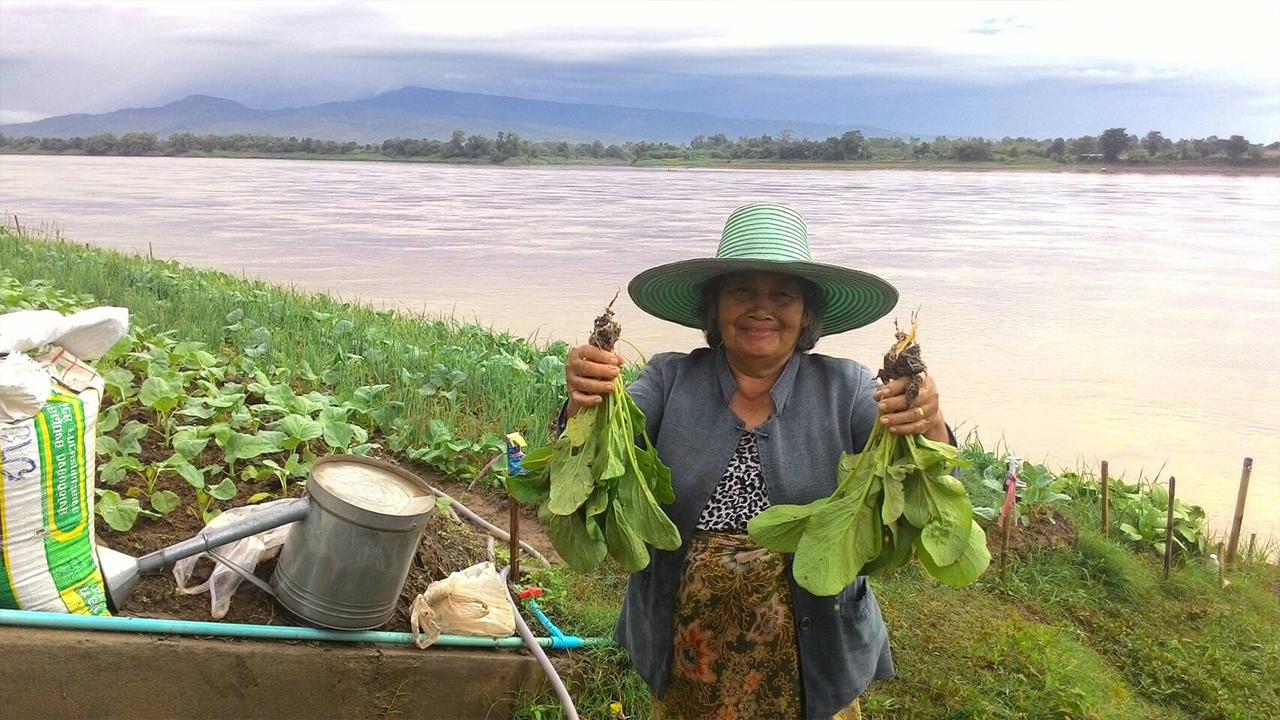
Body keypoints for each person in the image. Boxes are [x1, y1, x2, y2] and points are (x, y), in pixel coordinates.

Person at [563, 203, 953, 720]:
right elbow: (595, 454)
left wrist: (927, 418)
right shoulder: (668, 379)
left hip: (816, 650)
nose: (760, 308)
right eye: (742, 290)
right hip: (686, 653)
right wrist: (583, 399)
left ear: (807, 313)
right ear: (715, 306)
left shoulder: (850, 388)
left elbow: (926, 473)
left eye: (782, 295)